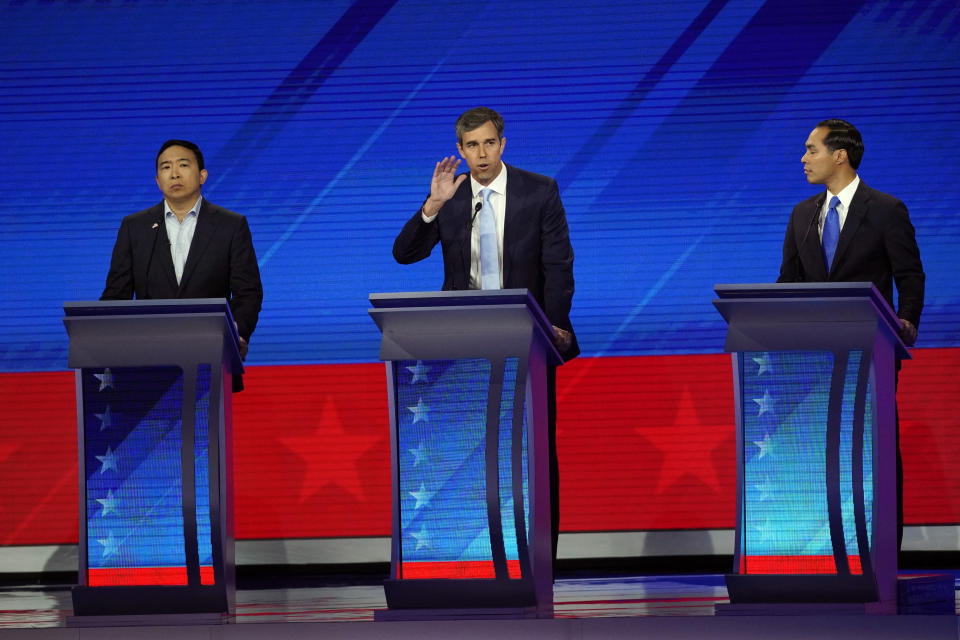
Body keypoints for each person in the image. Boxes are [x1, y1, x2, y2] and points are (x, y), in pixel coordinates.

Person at [393, 106, 578, 572]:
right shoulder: (451, 196)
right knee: (471, 447)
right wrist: (432, 206)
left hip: (528, 339)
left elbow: (558, 266)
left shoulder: (540, 191)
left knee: (534, 450)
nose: (481, 153)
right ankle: (473, 561)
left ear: (503, 144)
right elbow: (404, 254)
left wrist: (553, 325)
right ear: (460, 150)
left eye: (489, 143)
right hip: (464, 344)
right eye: (471, 145)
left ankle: (540, 565)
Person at [777, 119, 925, 550]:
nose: (803, 158)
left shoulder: (884, 209)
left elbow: (910, 275)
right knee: (817, 457)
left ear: (839, 155)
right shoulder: (803, 215)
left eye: (811, 149)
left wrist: (907, 322)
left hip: (871, 353)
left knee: (873, 453)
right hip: (812, 359)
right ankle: (824, 551)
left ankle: (882, 553)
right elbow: (788, 282)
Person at [100, 139, 263, 390]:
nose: (174, 173)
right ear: (157, 180)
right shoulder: (135, 227)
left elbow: (248, 292)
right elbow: (116, 295)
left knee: (206, 430)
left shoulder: (231, 225)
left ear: (202, 175)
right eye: (165, 167)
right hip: (147, 361)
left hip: (212, 360)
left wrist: (236, 335)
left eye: (183, 165)